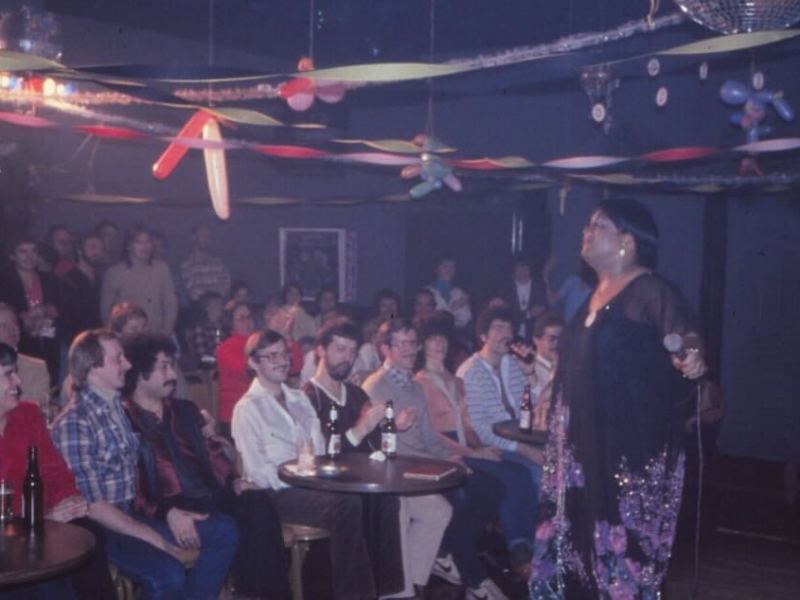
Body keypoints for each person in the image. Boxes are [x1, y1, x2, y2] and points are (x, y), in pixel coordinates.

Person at [530, 199, 706, 599]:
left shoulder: (649, 289)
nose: (586, 231)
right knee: (576, 549)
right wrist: (552, 401)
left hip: (628, 453)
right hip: (582, 453)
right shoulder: (593, 297)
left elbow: (681, 332)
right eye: (587, 224)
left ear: (628, 241)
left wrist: (690, 354)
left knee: (620, 554)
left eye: (599, 225)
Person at [51, 329, 238, 599]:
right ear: (93, 369)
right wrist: (154, 537)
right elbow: (92, 506)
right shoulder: (75, 422)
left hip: (134, 513)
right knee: (168, 575)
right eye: (118, 359)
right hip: (104, 527)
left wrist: (168, 512)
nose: (127, 364)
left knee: (224, 530)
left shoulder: (117, 408)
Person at [122, 332, 290, 599]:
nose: (172, 374)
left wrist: (233, 480)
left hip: (208, 495)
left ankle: (257, 596)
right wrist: (165, 511)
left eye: (172, 365)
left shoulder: (184, 410)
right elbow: (131, 485)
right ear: (140, 373)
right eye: (163, 366)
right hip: (168, 504)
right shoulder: (125, 420)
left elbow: (212, 454)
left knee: (257, 502)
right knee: (230, 528)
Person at [363, 318, 506, 600]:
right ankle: (472, 578)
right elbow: (374, 444)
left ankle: (436, 560)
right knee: (456, 502)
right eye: (401, 343)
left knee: (492, 487)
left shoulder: (413, 388)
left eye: (412, 343)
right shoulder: (375, 386)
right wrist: (396, 427)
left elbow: (429, 439)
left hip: (425, 464)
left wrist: (452, 458)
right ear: (385, 350)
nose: (409, 349)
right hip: (399, 470)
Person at [232, 329, 379, 600]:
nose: (282, 360)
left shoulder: (299, 399)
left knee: (361, 496)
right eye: (271, 355)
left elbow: (319, 449)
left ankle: (353, 590)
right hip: (275, 494)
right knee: (347, 503)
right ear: (254, 363)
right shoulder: (248, 408)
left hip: (311, 484)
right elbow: (257, 472)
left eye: (284, 353)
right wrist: (297, 474)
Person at [414, 314, 539, 580]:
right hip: (444, 453)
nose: (439, 344)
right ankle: (507, 553)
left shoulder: (455, 380)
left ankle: (523, 547)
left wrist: (479, 448)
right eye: (433, 339)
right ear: (422, 345)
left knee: (520, 474)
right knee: (512, 477)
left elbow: (469, 427)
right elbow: (432, 434)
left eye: (443, 339)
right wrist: (472, 453)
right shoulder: (420, 382)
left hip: (468, 447)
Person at [0, 342, 116, 599]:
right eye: (8, 374)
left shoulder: (27, 415)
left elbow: (55, 471)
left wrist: (69, 500)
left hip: (40, 535)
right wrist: (44, 516)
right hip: (12, 546)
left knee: (88, 534)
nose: (18, 382)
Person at [302, 319, 409, 597]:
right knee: (358, 502)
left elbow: (374, 447)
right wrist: (360, 429)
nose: (347, 358)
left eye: (352, 351)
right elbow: (320, 454)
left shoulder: (356, 393)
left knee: (387, 496)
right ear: (321, 351)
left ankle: (385, 590)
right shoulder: (308, 397)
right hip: (329, 485)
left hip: (360, 479)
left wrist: (390, 425)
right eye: (339, 349)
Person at [456, 306, 545, 475]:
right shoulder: (470, 372)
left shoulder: (513, 363)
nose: (506, 334)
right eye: (498, 328)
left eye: (509, 328)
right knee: (537, 475)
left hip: (525, 437)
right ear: (483, 336)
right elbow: (479, 428)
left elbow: (537, 407)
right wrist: (523, 449)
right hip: (498, 446)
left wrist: (530, 373)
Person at [0, 234, 63, 381]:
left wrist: (48, 310)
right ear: (12, 255)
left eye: (33, 251)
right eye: (23, 251)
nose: (29, 256)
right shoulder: (4, 283)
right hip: (18, 348)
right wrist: (24, 319)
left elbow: (63, 310)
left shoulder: (50, 280)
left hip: (48, 346)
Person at [100, 225, 179, 334]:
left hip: (156, 336)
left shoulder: (162, 269)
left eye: (148, 241)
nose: (145, 246)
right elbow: (106, 312)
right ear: (128, 246)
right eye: (139, 242)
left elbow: (170, 305)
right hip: (127, 339)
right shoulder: (114, 273)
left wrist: (165, 332)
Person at [215, 302, 256, 437]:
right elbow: (246, 372)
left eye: (249, 316)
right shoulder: (225, 348)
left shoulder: (259, 342)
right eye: (241, 318)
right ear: (230, 323)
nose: (247, 321)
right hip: (234, 416)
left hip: (256, 412)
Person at [0, 303, 51, 411]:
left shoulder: (37, 368)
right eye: (4, 325)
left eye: (16, 324)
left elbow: (39, 409)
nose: (13, 329)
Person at [61, 231, 105, 342]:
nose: (96, 252)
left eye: (100, 248)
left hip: (95, 340)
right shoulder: (68, 280)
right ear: (80, 251)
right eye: (92, 247)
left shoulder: (100, 280)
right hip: (74, 342)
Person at [528, 311, 564, 428]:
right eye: (552, 339)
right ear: (536, 340)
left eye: (562, 339)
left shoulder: (571, 366)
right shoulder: (527, 368)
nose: (558, 344)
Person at [500, 254, 548, 341]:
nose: (522, 273)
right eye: (519, 269)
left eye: (525, 269)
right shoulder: (507, 289)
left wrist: (520, 313)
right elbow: (507, 312)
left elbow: (541, 310)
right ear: (514, 271)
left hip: (534, 334)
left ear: (530, 270)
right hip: (512, 333)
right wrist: (528, 314)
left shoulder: (539, 287)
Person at [180, 224, 232, 302]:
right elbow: (192, 290)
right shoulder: (186, 265)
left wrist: (213, 297)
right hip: (199, 309)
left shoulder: (218, 263)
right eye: (202, 235)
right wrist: (212, 296)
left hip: (219, 307)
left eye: (207, 235)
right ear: (193, 237)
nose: (205, 238)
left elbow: (226, 284)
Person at [426, 258, 471, 329]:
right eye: (445, 266)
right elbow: (429, 318)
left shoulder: (459, 293)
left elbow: (465, 318)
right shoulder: (427, 292)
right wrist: (454, 307)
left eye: (452, 267)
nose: (449, 270)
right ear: (436, 269)